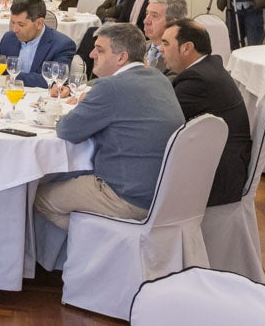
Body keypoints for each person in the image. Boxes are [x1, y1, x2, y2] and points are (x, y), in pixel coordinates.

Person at [33, 23, 184, 230]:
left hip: (127, 195)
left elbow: (67, 130)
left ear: (121, 58)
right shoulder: (159, 78)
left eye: (100, 50)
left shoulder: (111, 88)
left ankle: (99, 244)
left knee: (39, 196)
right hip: (164, 193)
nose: (92, 54)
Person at [158, 19, 253, 207]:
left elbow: (160, 121)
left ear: (187, 48)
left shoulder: (197, 80)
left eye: (166, 43)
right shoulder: (209, 68)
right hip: (224, 163)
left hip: (218, 176)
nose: (160, 49)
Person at [0, 0, 75, 87]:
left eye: (21, 24)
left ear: (39, 23)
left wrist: (11, 78)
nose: (15, 29)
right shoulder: (9, 38)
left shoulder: (62, 45)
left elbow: (56, 79)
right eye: (13, 23)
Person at [141, 0, 188, 73]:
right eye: (146, 14)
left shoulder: (180, 58)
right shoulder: (138, 49)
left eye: (154, 16)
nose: (146, 21)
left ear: (173, 23)